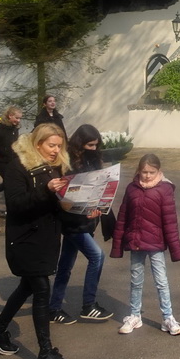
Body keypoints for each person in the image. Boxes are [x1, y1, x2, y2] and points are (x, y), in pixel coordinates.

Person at [0, 123, 72, 359]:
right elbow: (17, 204)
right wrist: (46, 189)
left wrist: (84, 209)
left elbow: (58, 205)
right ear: (37, 143)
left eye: (59, 146)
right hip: (24, 238)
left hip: (47, 238)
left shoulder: (55, 166)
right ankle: (45, 353)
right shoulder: (17, 166)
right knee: (41, 288)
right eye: (51, 145)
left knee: (26, 287)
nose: (56, 150)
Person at [110, 153, 180, 336]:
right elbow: (122, 217)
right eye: (144, 172)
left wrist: (175, 248)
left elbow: (170, 221)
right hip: (135, 242)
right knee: (136, 280)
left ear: (158, 171)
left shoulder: (164, 189)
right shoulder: (132, 189)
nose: (147, 175)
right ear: (138, 170)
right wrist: (117, 243)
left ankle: (168, 317)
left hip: (155, 244)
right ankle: (134, 315)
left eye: (151, 172)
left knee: (161, 281)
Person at [49, 124, 113, 324]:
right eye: (90, 145)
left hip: (86, 220)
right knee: (97, 256)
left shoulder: (93, 159)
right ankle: (89, 305)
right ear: (80, 143)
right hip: (72, 221)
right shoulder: (66, 161)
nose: (93, 149)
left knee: (65, 266)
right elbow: (63, 193)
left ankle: (54, 308)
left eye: (96, 145)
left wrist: (97, 208)